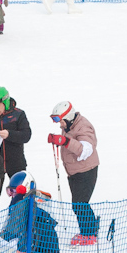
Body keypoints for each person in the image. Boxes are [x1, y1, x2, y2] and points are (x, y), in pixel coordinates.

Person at [49, 101, 99, 245]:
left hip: (86, 171)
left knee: (80, 204)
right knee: (79, 204)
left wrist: (65, 141)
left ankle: (89, 234)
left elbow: (85, 150)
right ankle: (90, 229)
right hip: (75, 172)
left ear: (69, 117)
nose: (60, 125)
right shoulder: (68, 125)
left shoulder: (84, 126)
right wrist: (60, 141)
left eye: (61, 121)